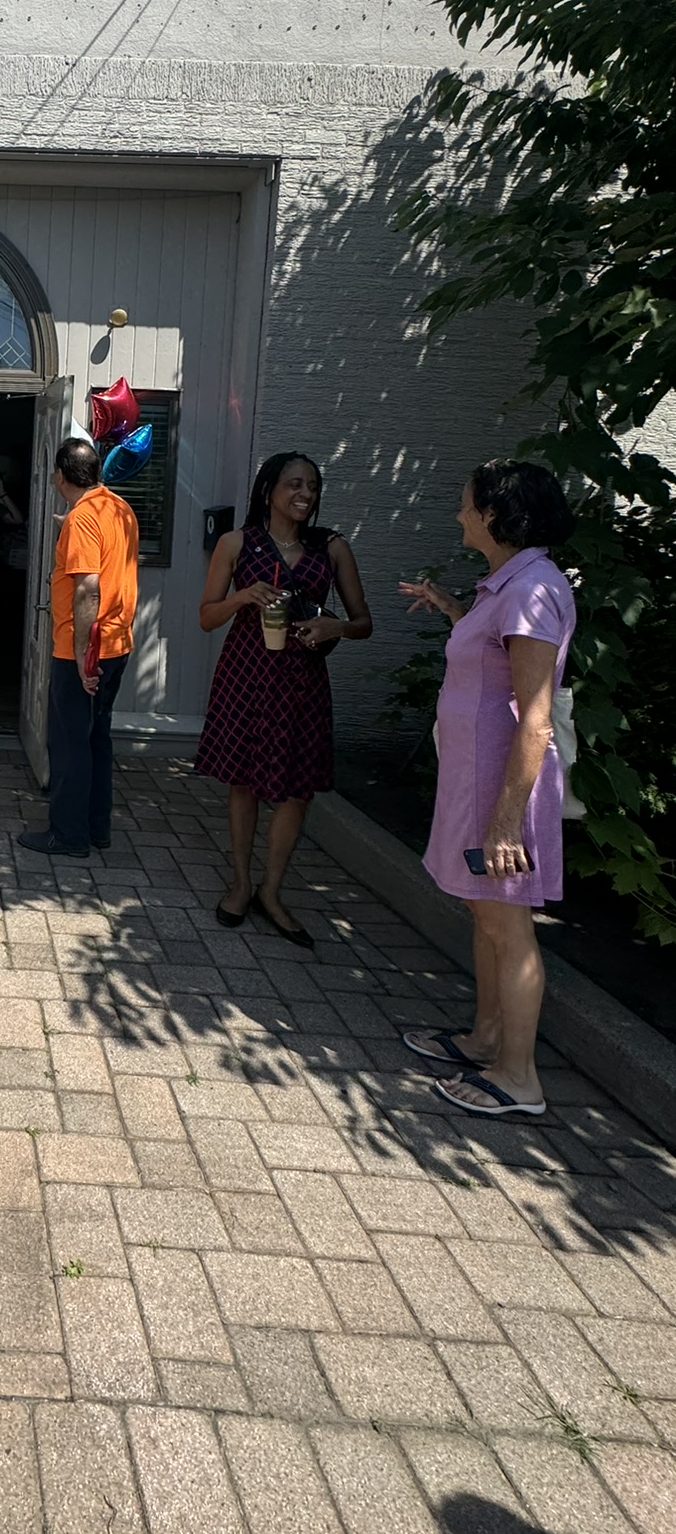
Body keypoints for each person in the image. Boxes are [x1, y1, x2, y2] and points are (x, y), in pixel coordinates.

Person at [399, 460, 577, 1117]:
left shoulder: (531, 590)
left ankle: (519, 1078)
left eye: (467, 504)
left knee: (508, 924)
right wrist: (454, 610)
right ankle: (486, 1039)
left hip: (501, 792)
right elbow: (492, 667)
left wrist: (506, 823)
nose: (459, 514)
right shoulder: (509, 585)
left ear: (495, 514)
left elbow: (534, 717)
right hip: (476, 784)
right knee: (485, 912)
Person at [195, 451, 371, 945]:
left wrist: (336, 627)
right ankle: (240, 883)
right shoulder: (237, 543)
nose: (305, 494)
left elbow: (364, 623)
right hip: (246, 674)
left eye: (312, 486)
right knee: (243, 781)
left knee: (297, 791)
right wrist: (240, 596)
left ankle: (271, 891)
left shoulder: (332, 547)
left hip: (302, 682)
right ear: (268, 489)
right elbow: (206, 617)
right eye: (294, 484)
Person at [17, 438, 139, 858]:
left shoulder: (83, 519)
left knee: (69, 745)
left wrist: (85, 656)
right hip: (117, 643)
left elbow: (88, 588)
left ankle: (68, 835)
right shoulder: (117, 508)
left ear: (60, 475)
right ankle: (96, 827)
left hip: (84, 651)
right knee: (96, 739)